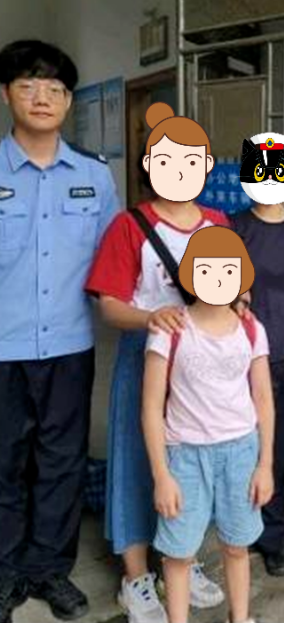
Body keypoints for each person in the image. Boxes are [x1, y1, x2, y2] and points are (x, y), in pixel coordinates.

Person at [85, 103, 228, 623]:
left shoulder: (217, 222)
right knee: (135, 460)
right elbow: (109, 304)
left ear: (206, 166)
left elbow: (235, 287)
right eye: (167, 160)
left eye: (191, 160)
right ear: (149, 166)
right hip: (146, 358)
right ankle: (136, 577)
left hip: (202, 366)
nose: (179, 170)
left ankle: (182, 564)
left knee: (194, 464)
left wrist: (239, 304)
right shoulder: (130, 226)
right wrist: (151, 317)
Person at [0, 39, 120, 623]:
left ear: (69, 101)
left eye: (54, 88)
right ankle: (4, 571)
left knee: (61, 461)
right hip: (3, 348)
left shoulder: (95, 177)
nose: (42, 97)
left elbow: (117, 262)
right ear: (7, 95)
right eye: (28, 85)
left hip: (70, 346)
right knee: (3, 462)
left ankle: (49, 569)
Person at [142, 226, 274, 623]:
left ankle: (240, 617)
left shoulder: (251, 329)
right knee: (179, 554)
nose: (217, 279)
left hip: (241, 452)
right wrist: (161, 475)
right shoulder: (169, 331)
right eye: (207, 269)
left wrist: (265, 464)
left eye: (228, 270)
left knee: (237, 546)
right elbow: (151, 407)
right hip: (184, 456)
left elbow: (263, 399)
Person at [232, 131, 284, 577]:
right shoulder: (232, 227)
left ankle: (274, 534)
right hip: (242, 357)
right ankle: (243, 527)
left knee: (276, 449)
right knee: (242, 445)